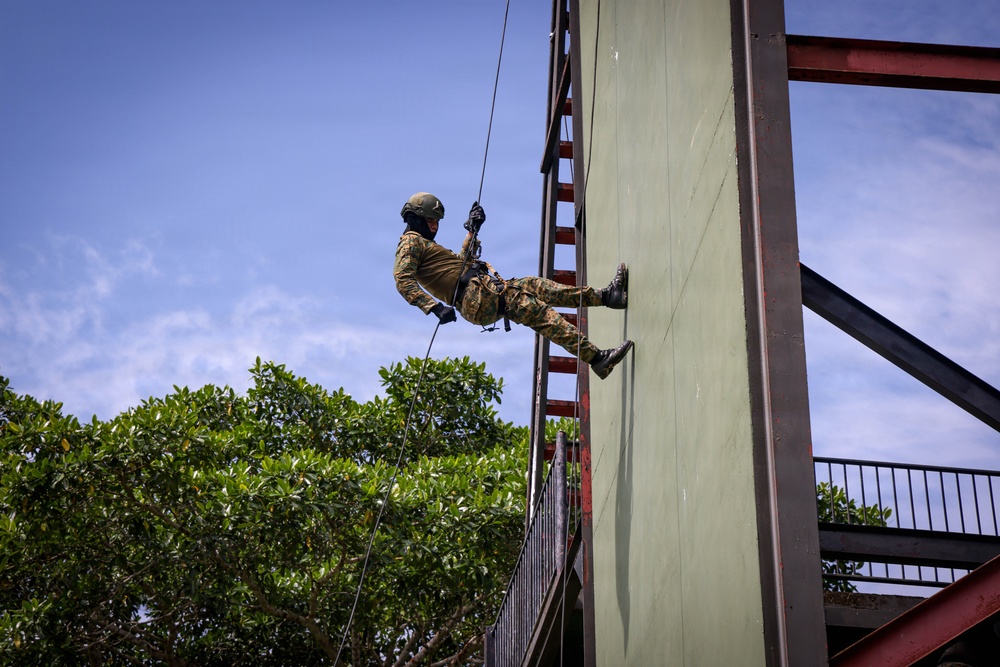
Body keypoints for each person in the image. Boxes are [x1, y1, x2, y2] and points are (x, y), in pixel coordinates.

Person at [393, 192, 634, 379]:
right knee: (538, 312)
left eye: (436, 222)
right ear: (415, 218)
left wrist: (472, 232)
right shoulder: (411, 243)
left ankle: (606, 297)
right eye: (430, 220)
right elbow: (403, 279)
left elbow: (461, 263)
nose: (435, 226)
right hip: (477, 297)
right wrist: (434, 307)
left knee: (537, 286)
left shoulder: (426, 246)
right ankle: (597, 359)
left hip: (485, 291)